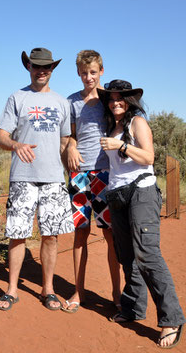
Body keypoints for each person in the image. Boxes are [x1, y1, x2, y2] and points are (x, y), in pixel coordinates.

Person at [98, 80, 186, 349]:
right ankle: (133, 308)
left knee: (147, 253)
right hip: (117, 194)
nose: (115, 103)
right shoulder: (111, 126)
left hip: (142, 192)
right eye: (111, 99)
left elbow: (149, 157)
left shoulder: (137, 122)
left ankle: (171, 318)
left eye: (120, 99)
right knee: (126, 255)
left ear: (130, 101)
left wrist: (121, 147)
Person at [0, 47, 74, 312]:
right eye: (37, 66)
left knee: (51, 236)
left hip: (53, 180)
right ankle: (12, 290)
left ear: (52, 70)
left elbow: (64, 142)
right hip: (22, 178)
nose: (42, 71)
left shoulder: (62, 103)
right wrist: (16, 145)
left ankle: (48, 290)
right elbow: (1, 137)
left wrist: (69, 176)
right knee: (17, 235)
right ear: (28, 67)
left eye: (47, 67)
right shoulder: (17, 98)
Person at [62, 50, 121, 314]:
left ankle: (117, 295)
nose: (89, 77)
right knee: (80, 234)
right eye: (84, 72)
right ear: (78, 73)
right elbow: (69, 136)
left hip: (105, 174)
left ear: (101, 71)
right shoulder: (71, 102)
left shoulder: (111, 100)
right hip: (79, 176)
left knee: (111, 235)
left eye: (93, 72)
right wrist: (71, 147)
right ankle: (78, 291)